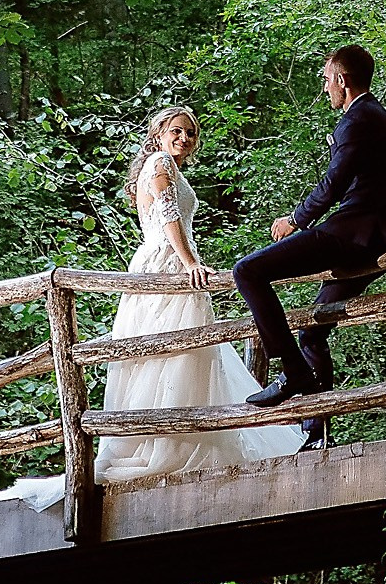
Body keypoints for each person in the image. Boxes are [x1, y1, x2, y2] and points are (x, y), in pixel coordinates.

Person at [90, 106, 304, 481]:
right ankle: (165, 441)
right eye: (176, 131)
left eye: (190, 132)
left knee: (186, 352)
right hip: (166, 262)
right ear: (158, 133)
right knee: (174, 349)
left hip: (165, 257)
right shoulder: (160, 164)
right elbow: (170, 218)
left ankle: (181, 436)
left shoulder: (165, 165)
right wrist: (189, 263)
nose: (183, 138)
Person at [234, 45, 386, 449]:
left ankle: (293, 372)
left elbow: (333, 184)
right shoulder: (376, 118)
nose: (325, 86)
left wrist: (295, 220)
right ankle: (318, 431)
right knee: (314, 330)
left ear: (343, 80)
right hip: (376, 238)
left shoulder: (359, 119)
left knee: (248, 271)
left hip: (352, 237)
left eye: (327, 78)